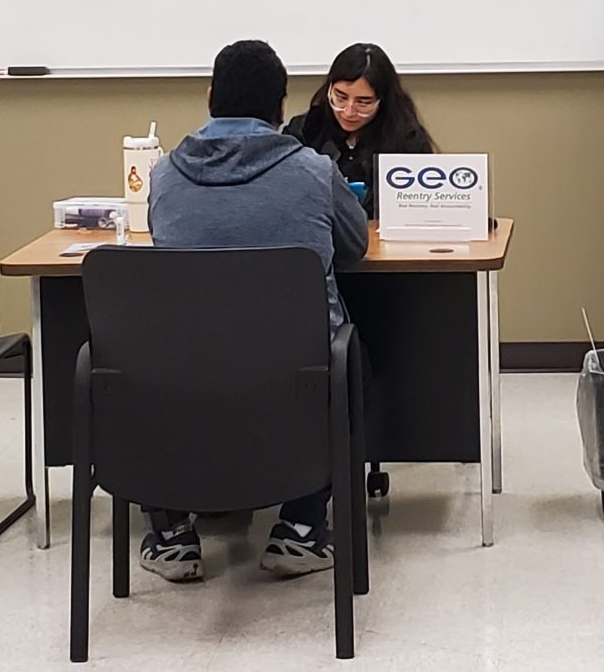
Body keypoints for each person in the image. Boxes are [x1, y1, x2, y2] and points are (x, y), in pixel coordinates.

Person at [145, 40, 369, 582]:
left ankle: (173, 532)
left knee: (150, 353)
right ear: (279, 108)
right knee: (341, 347)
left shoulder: (164, 177)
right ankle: (300, 528)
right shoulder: (315, 172)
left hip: (185, 382)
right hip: (298, 379)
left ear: (209, 98)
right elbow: (355, 244)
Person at [284, 43, 435, 217]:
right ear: (329, 90)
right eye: (340, 97)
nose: (349, 112)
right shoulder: (304, 130)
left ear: (382, 101)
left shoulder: (407, 141)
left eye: (363, 102)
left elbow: (419, 208)